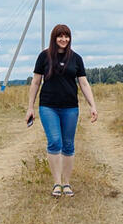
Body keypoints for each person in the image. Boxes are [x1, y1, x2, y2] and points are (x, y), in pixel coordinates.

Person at [26, 24, 98, 197]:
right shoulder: (44, 57)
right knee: (55, 142)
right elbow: (35, 82)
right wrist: (30, 107)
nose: (63, 39)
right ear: (54, 38)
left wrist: (92, 105)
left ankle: (66, 183)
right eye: (60, 36)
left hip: (70, 107)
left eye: (66, 36)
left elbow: (83, 83)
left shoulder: (76, 58)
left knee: (68, 144)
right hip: (48, 106)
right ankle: (56, 183)